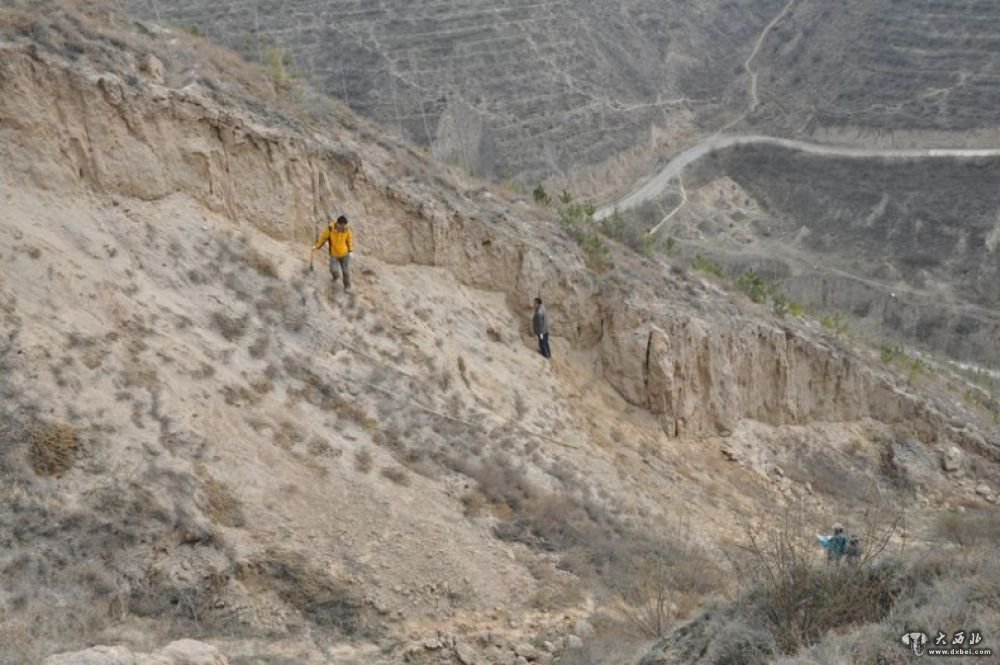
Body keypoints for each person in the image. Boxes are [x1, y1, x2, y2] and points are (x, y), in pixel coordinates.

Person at [314, 214, 354, 291]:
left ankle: (347, 287)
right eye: (342, 226)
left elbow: (350, 241)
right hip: (334, 254)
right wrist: (317, 246)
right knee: (333, 270)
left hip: (345, 254)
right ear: (338, 223)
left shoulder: (347, 230)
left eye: (344, 226)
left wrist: (351, 251)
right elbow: (323, 238)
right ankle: (335, 277)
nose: (343, 228)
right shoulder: (330, 229)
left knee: (346, 271)